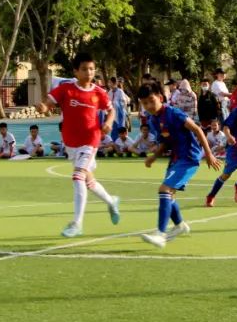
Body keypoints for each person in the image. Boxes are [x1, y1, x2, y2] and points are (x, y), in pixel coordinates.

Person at [36, 53, 120, 238]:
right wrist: (43, 107)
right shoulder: (66, 89)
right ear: (75, 71)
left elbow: (111, 110)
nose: (89, 72)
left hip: (90, 140)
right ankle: (111, 201)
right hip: (71, 142)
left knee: (77, 177)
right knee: (89, 181)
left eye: (91, 69)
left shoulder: (98, 92)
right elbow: (49, 103)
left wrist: (109, 122)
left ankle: (77, 223)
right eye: (84, 69)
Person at [140, 80, 221, 246]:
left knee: (164, 189)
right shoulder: (153, 120)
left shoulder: (173, 113)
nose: (148, 105)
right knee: (169, 195)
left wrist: (208, 153)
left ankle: (160, 234)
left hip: (189, 157)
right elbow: (164, 141)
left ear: (160, 97)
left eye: (151, 100)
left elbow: (197, 129)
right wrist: (154, 157)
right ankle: (180, 226)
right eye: (144, 103)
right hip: (176, 158)